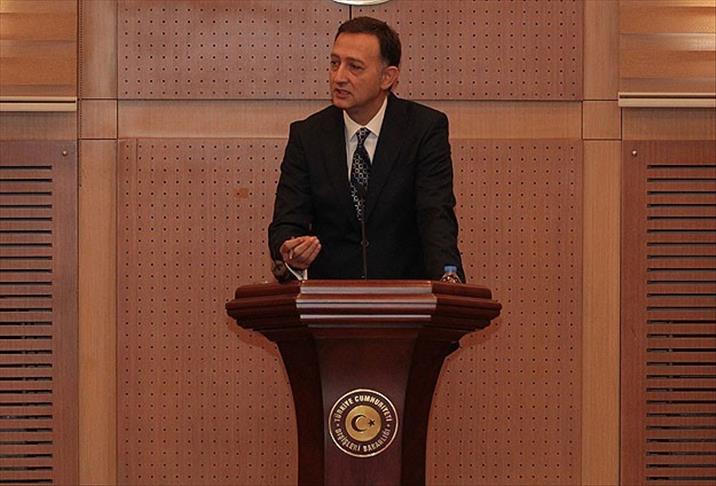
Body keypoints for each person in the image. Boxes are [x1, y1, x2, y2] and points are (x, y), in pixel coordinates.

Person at [268, 16, 465, 281]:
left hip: (404, 295)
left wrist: (448, 282)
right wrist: (291, 250)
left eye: (355, 67)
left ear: (387, 77)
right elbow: (287, 223)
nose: (339, 77)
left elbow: (435, 216)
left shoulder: (424, 129)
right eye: (334, 63)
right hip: (329, 297)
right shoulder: (308, 135)